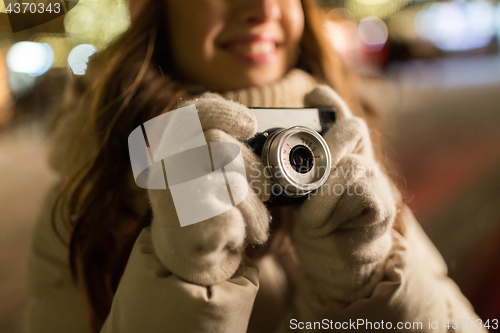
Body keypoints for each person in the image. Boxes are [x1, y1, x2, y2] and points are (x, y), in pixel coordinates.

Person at [25, 0, 486, 332]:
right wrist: (183, 284)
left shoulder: (346, 154)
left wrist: (366, 282)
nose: (263, 8)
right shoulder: (87, 203)